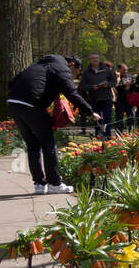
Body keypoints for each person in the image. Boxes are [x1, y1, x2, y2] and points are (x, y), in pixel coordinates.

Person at [6, 55, 95, 194]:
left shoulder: (37, 66)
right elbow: (72, 93)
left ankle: (39, 185)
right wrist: (90, 112)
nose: (74, 75)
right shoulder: (62, 68)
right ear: (71, 65)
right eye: (76, 72)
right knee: (49, 145)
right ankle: (54, 183)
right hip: (32, 105)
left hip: (14, 104)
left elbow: (12, 83)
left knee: (33, 145)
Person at [78, 52, 115, 138]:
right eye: (93, 58)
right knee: (96, 118)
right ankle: (98, 134)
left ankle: (107, 135)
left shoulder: (106, 69)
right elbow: (82, 86)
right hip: (94, 98)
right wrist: (91, 87)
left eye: (97, 58)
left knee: (107, 117)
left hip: (106, 97)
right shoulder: (86, 72)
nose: (95, 60)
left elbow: (114, 81)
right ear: (90, 60)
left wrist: (108, 85)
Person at [114, 63, 133, 132]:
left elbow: (133, 86)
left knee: (130, 116)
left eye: (126, 70)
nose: (125, 72)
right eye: (124, 70)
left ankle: (131, 132)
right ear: (118, 69)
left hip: (129, 99)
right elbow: (115, 88)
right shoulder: (115, 77)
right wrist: (124, 85)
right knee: (119, 117)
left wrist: (132, 85)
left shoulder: (129, 76)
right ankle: (119, 132)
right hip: (119, 100)